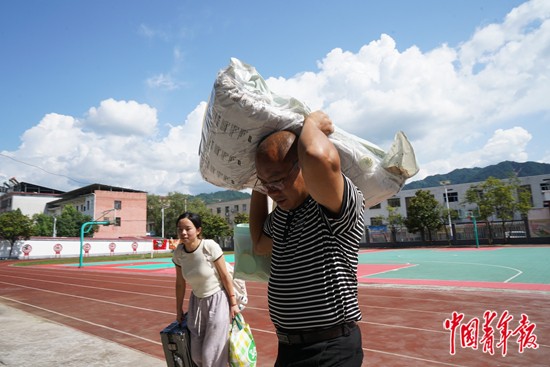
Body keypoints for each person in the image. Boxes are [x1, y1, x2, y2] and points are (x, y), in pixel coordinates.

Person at [249, 111, 365, 366]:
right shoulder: (281, 215)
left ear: (302, 167)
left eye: (278, 180)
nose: (272, 191)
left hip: (329, 348)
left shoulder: (332, 206)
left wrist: (311, 125)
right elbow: (258, 243)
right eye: (266, 183)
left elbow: (317, 156)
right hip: (289, 347)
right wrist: (258, 185)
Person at [173, 211, 240, 367]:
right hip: (196, 303)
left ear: (198, 230)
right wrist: (178, 310)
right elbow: (180, 284)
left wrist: (233, 303)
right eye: (179, 229)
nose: (183, 233)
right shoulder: (179, 253)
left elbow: (225, 276)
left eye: (187, 228)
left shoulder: (209, 246)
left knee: (212, 354)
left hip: (217, 299)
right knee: (196, 355)